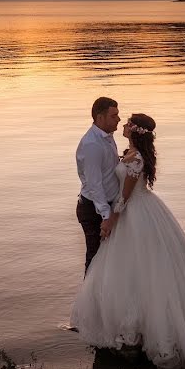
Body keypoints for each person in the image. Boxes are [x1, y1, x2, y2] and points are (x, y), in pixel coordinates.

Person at [70, 113, 185, 369]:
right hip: (139, 211)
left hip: (134, 214)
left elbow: (124, 199)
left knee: (139, 270)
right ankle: (135, 328)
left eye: (127, 123)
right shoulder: (129, 153)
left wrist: (110, 219)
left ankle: (142, 330)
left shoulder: (136, 160)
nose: (122, 123)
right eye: (119, 118)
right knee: (134, 271)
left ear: (135, 131)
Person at [75, 97, 121, 275]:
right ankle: (88, 302)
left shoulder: (107, 137)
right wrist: (106, 216)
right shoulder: (92, 144)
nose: (118, 119)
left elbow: (107, 170)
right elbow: (94, 184)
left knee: (108, 260)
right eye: (114, 115)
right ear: (100, 118)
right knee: (95, 260)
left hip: (105, 206)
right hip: (93, 210)